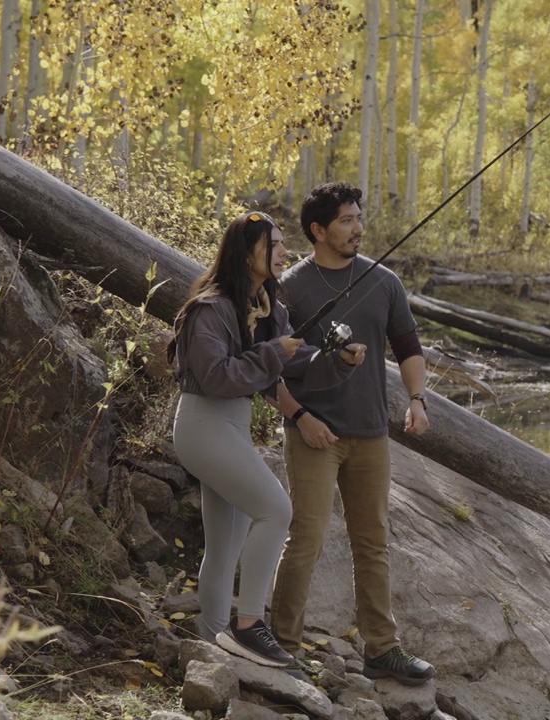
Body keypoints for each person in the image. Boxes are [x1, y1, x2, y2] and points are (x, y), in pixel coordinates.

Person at [169, 211, 367, 667]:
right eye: (274, 244)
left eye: (283, 244)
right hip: (203, 425)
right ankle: (248, 626)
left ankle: (213, 645)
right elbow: (218, 377)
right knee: (277, 511)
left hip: (230, 426)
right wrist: (274, 351)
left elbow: (290, 367)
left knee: (225, 545)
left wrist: (338, 361)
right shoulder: (211, 308)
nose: (284, 252)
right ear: (246, 252)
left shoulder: (268, 308)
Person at [270, 182, 435, 686]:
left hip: (372, 433)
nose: (357, 229)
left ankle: (382, 649)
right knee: (306, 541)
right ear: (318, 230)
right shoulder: (290, 288)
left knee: (373, 543)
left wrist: (417, 399)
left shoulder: (384, 282)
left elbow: (407, 347)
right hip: (314, 434)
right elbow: (267, 369)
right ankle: (282, 647)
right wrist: (301, 417)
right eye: (345, 220)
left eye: (358, 218)